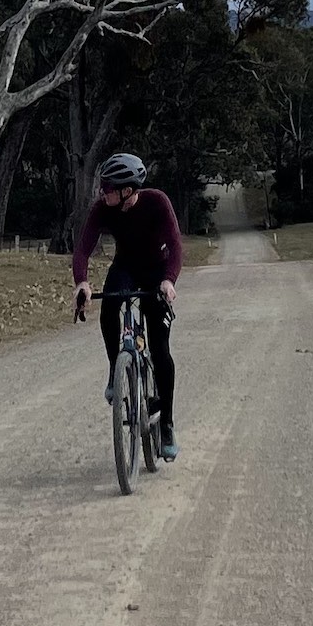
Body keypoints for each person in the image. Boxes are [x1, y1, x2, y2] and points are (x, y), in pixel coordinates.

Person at [71, 151, 183, 459]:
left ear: (127, 191)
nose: (102, 192)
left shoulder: (157, 202)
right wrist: (81, 282)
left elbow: (175, 246)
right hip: (125, 267)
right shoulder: (102, 209)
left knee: (160, 350)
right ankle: (115, 369)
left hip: (156, 272)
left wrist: (169, 281)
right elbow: (82, 249)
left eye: (108, 188)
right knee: (109, 308)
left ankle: (168, 424)